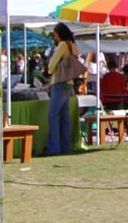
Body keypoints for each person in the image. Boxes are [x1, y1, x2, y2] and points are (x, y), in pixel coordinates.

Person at [45, 22, 79, 155]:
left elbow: (52, 65)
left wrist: (49, 69)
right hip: (68, 83)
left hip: (59, 82)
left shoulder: (62, 45)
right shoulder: (71, 44)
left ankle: (53, 148)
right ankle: (65, 147)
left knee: (53, 116)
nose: (54, 37)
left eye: (55, 35)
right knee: (65, 117)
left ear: (59, 34)